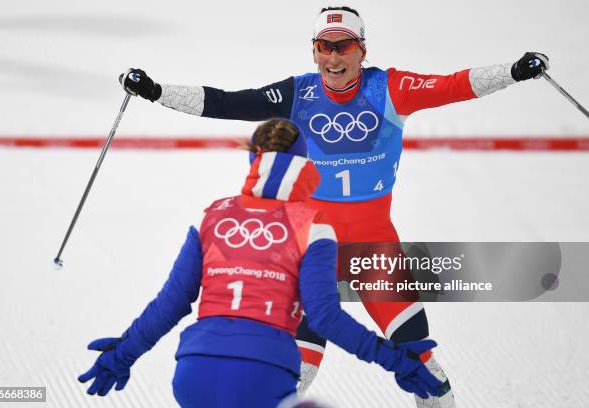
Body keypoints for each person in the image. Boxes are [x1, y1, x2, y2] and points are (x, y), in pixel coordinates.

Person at [119, 6, 550, 407]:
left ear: (362, 50)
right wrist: (156, 92)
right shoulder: (296, 94)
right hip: (311, 252)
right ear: (314, 52)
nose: (334, 56)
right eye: (325, 46)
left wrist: (513, 72)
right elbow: (228, 102)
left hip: (375, 249)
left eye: (344, 45)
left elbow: (455, 85)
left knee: (423, 365)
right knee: (295, 373)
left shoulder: (391, 88)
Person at [77, 119, 445, 408]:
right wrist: (396, 359)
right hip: (264, 379)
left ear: (253, 160)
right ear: (304, 164)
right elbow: (324, 318)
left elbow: (169, 305)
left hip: (193, 377)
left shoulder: (212, 217)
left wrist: (122, 354)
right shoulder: (313, 226)